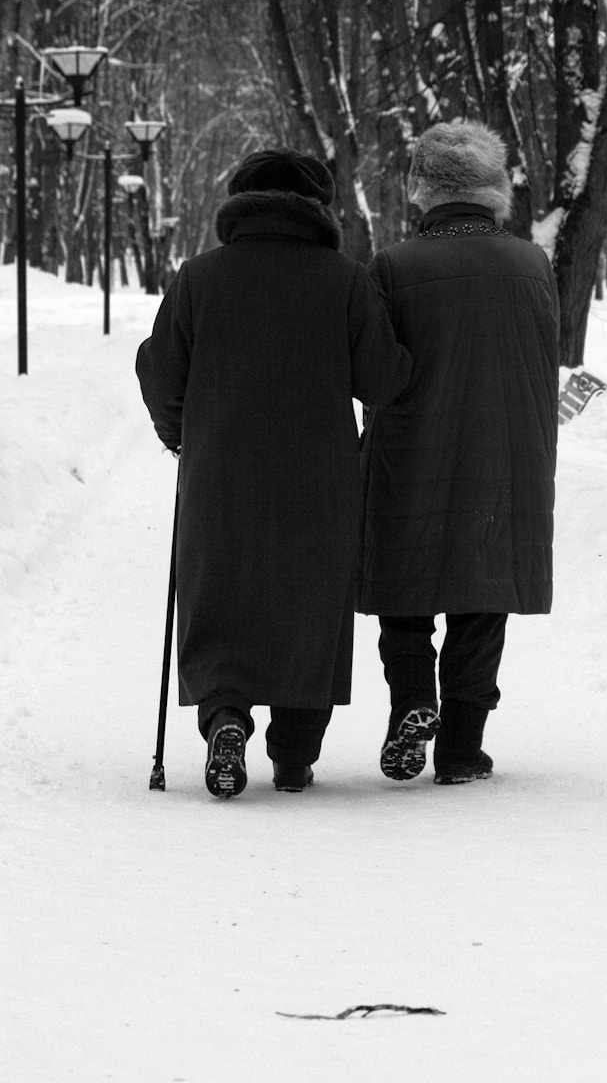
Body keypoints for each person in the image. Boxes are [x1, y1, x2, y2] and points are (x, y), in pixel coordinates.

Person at [137, 148, 411, 798]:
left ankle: (226, 718)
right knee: (309, 603)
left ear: (238, 203)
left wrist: (181, 435)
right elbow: (382, 378)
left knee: (220, 593)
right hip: (319, 476)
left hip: (219, 470)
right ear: (319, 208)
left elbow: (159, 373)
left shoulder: (197, 277)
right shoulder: (344, 278)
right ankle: (293, 753)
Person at [357, 119, 559, 784]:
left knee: (404, 589)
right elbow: (545, 362)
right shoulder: (533, 263)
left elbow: (377, 368)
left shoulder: (394, 265)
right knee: (482, 592)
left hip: (410, 448)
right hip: (505, 451)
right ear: (495, 189)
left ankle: (413, 702)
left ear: (424, 191)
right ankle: (462, 747)